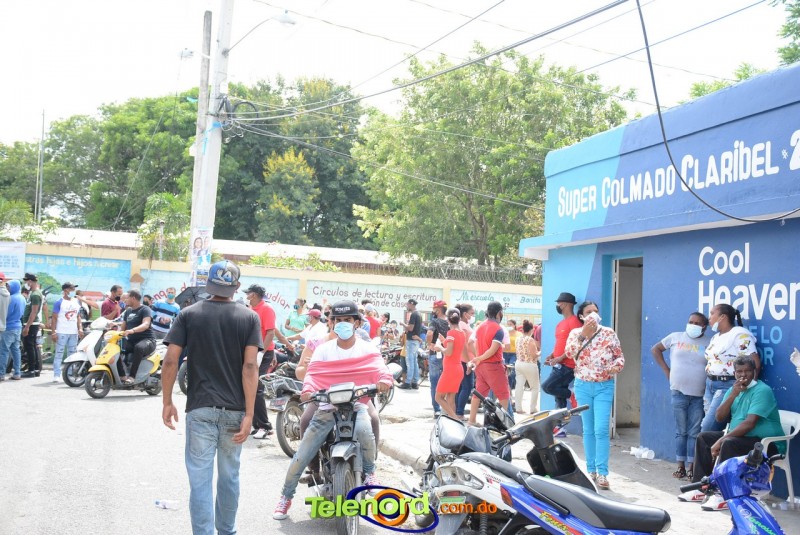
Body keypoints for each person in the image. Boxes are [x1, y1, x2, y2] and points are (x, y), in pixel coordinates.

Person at [161, 260, 261, 534]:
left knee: (200, 480)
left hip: (200, 408)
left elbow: (170, 360)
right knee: (230, 477)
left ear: (208, 284)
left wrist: (167, 401)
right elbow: (250, 366)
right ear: (237, 287)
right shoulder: (249, 317)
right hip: (235, 411)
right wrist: (250, 413)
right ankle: (227, 531)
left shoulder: (188, 314)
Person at [273, 300, 392, 520]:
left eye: (348, 319)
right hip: (327, 407)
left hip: (356, 404)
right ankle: (285, 497)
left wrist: (384, 380)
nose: (343, 323)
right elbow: (312, 375)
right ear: (332, 322)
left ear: (357, 323)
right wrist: (308, 390)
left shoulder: (367, 348)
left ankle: (370, 473)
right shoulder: (322, 349)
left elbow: (379, 368)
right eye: (338, 320)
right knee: (301, 455)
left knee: (366, 431)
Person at [679, 355, 785, 511]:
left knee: (729, 443)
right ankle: (701, 488)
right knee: (704, 438)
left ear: (754, 372)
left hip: (766, 444)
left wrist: (721, 440)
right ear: (734, 373)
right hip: (742, 438)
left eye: (747, 371)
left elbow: (749, 423)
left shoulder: (762, 390)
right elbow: (719, 417)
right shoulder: (733, 390)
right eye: (739, 371)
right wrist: (733, 395)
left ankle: (722, 493)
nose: (743, 375)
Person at [563, 301, 624, 490]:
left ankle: (603, 473)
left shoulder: (608, 333)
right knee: (588, 429)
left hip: (604, 386)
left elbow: (619, 357)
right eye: (589, 312)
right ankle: (591, 471)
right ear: (581, 316)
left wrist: (616, 367)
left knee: (601, 429)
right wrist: (583, 335)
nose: (593, 314)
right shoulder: (575, 333)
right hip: (583, 386)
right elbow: (569, 353)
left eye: (595, 311)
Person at [651, 312, 712, 480]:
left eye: (697, 323)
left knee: (694, 432)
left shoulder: (710, 342)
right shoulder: (675, 337)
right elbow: (656, 349)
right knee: (681, 431)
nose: (693, 325)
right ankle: (680, 466)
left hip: (699, 394)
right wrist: (666, 370)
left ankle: (692, 467)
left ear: (704, 327)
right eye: (691, 321)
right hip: (678, 392)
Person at [701, 303, 760, 433]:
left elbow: (755, 363)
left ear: (722, 317)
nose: (709, 317)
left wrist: (749, 389)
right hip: (710, 384)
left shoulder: (739, 335)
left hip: (727, 385)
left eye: (712, 314)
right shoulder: (716, 337)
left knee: (708, 428)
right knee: (710, 430)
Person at [245, 284, 291, 439]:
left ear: (254, 295)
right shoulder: (251, 309)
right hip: (253, 350)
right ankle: (256, 424)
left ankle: (265, 426)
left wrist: (262, 353)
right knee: (249, 387)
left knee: (257, 387)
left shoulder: (267, 309)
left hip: (263, 352)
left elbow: (271, 333)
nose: (246, 296)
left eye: (248, 294)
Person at [467, 301, 512, 425]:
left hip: (481, 367)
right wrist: (480, 358)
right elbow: (493, 350)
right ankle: (501, 424)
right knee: (503, 395)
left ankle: (472, 420)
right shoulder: (498, 329)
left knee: (478, 394)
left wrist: (478, 358)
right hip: (494, 366)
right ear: (499, 313)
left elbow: (470, 343)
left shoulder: (480, 326)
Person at [542, 292, 582, 410]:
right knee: (559, 399)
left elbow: (577, 344)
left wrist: (561, 357)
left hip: (568, 366)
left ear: (564, 304)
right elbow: (560, 342)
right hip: (558, 365)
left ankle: (572, 394)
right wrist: (552, 355)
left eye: (559, 303)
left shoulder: (574, 321)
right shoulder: (560, 324)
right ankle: (560, 421)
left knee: (547, 387)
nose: (557, 306)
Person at [432, 308, 465, 419]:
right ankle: (453, 421)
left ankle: (454, 418)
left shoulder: (451, 333)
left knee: (438, 397)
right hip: (458, 368)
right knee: (451, 398)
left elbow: (449, 352)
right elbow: (455, 348)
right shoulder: (461, 333)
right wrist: (444, 341)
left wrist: (440, 347)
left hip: (450, 370)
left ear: (448, 319)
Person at [119, 290, 156, 384]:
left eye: (127, 298)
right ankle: (122, 375)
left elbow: (146, 324)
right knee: (116, 348)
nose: (125, 300)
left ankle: (132, 376)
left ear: (133, 298)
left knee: (138, 347)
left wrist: (132, 330)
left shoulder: (145, 309)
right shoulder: (128, 311)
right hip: (131, 341)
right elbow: (122, 327)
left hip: (147, 340)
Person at [50, 282, 83, 383]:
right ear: (66, 290)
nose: (73, 291)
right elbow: (54, 318)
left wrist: (80, 328)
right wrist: (53, 332)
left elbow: (78, 317)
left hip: (73, 332)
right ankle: (56, 374)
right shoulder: (59, 302)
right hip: (62, 331)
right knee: (59, 354)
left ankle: (70, 374)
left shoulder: (76, 302)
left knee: (72, 354)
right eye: (72, 288)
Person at [426, 300, 449, 416]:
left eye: (434, 309)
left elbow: (429, 334)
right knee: (446, 382)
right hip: (447, 355)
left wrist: (429, 344)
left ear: (438, 310)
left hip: (435, 354)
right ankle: (447, 408)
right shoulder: (450, 322)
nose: (433, 311)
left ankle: (437, 409)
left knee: (435, 382)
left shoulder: (434, 322)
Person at [0, 278, 25, 381]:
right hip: (18, 326)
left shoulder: (12, 298)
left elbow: (7, 313)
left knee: (3, 351)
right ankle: (17, 373)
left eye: (9, 286)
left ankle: (1, 374)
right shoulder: (22, 298)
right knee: (16, 351)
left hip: (9, 327)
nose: (8, 288)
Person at [455, 303, 476, 419]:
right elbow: (463, 345)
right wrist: (468, 361)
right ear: (464, 314)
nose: (473, 316)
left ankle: (457, 411)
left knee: (462, 386)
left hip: (466, 359)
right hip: (465, 360)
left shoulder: (464, 324)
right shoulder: (462, 325)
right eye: (472, 313)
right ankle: (459, 412)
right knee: (467, 386)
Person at [515, 320, 541, 414]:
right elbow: (534, 355)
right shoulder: (530, 340)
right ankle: (532, 409)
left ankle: (518, 408)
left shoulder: (518, 338)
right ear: (531, 330)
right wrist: (541, 352)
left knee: (519, 386)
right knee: (535, 387)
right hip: (529, 364)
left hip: (519, 363)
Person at [21, 273, 44, 378]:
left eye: (26, 281)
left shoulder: (35, 294)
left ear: (30, 281)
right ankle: (35, 369)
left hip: (31, 324)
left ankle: (31, 370)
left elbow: (34, 312)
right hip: (31, 323)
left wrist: (27, 327)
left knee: (29, 347)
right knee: (32, 346)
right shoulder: (34, 293)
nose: (26, 283)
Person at [398, 298, 423, 390]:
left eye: (407, 304)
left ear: (411, 304)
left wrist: (403, 324)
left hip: (411, 340)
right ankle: (415, 382)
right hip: (415, 341)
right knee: (414, 362)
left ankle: (408, 382)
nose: (407, 306)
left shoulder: (413, 314)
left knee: (410, 362)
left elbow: (411, 328)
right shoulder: (419, 314)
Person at [504, 319, 520, 405]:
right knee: (505, 373)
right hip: (504, 353)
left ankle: (509, 390)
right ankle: (507, 392)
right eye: (508, 324)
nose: (509, 326)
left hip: (514, 354)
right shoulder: (505, 333)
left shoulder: (518, 334)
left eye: (510, 324)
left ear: (514, 325)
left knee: (511, 373)